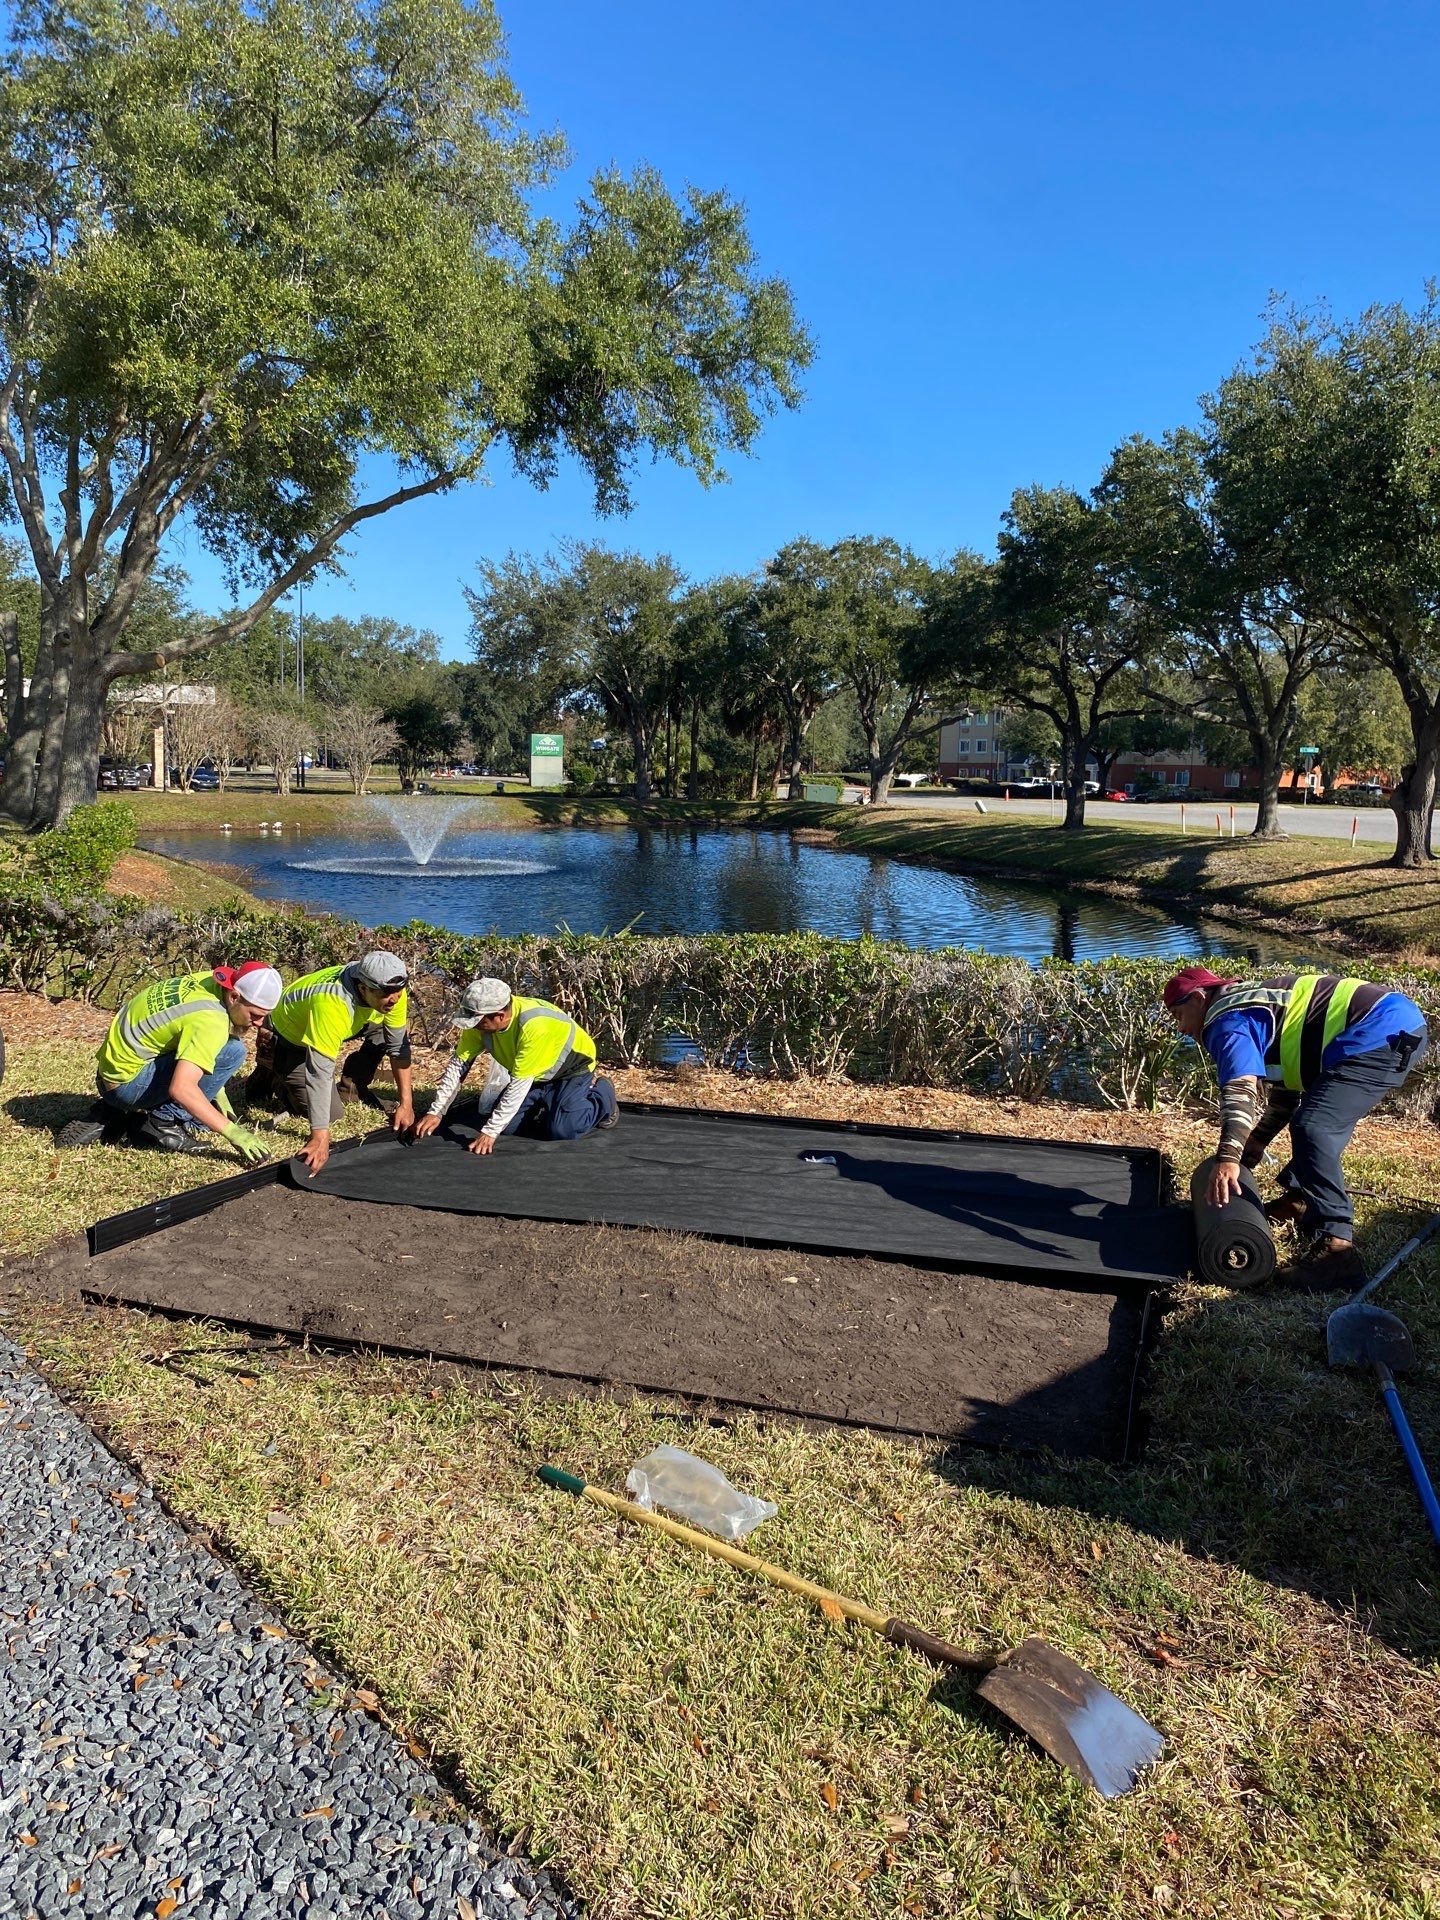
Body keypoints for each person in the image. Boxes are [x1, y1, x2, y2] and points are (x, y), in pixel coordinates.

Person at [1163, 964, 1429, 1287]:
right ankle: (1301, 1199)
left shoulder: (1224, 1020)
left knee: (1315, 1126)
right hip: (1390, 1024)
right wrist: (1258, 1139)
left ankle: (1337, 1248)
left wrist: (1229, 1158)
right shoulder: (1248, 1006)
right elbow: (1288, 1086)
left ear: (1198, 998)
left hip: (1381, 1029)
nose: (1180, 1028)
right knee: (1316, 1119)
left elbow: (1240, 1090)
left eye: (1178, 1015)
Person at [63, 961, 282, 1162]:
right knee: (233, 1051)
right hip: (126, 1086)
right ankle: (162, 1124)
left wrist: (217, 1089)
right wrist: (233, 1132)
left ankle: (114, 1112)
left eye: (265, 1016)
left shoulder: (205, 981)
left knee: (223, 1046)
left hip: (111, 1072)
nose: (259, 1023)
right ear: (234, 997)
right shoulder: (210, 1020)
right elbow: (182, 1088)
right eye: (255, 1014)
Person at [252, 949, 416, 1175]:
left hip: (351, 1019)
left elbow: (399, 1048)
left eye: (398, 992)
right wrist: (320, 1137)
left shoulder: (391, 990)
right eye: (386, 995)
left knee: (384, 1031)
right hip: (289, 1039)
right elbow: (319, 1072)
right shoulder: (332, 1003)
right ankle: (273, 1072)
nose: (395, 999)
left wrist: (406, 1103)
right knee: (330, 1115)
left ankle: (352, 1087)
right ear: (362, 988)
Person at [415, 976, 617, 1155]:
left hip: (572, 1070)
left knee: (563, 1130)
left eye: (477, 1021)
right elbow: (459, 1066)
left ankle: (603, 1094)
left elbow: (519, 1084)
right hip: (536, 1075)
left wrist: (490, 1133)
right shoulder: (480, 1023)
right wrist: (437, 1111)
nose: (473, 1026)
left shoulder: (535, 1025)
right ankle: (550, 1103)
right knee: (508, 1127)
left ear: (499, 1015)